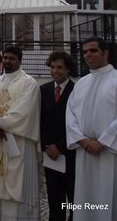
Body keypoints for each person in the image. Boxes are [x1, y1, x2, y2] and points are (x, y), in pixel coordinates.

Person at [66, 37, 117, 221]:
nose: (88, 54)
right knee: (85, 201)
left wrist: (103, 142)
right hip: (85, 152)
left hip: (110, 153)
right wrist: (83, 140)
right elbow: (70, 116)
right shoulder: (81, 83)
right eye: (85, 51)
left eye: (93, 51)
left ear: (105, 53)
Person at [0, 46, 41, 220]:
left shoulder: (29, 83)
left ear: (20, 60)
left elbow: (24, 112)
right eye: (6, 58)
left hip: (19, 144)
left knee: (20, 183)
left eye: (12, 58)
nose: (8, 61)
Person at [41, 51, 76, 221]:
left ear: (68, 69)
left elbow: (77, 124)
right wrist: (47, 146)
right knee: (54, 195)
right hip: (50, 155)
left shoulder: (76, 90)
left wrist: (60, 146)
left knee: (72, 194)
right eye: (52, 67)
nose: (55, 71)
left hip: (70, 153)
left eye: (59, 67)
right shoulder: (44, 90)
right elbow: (40, 121)